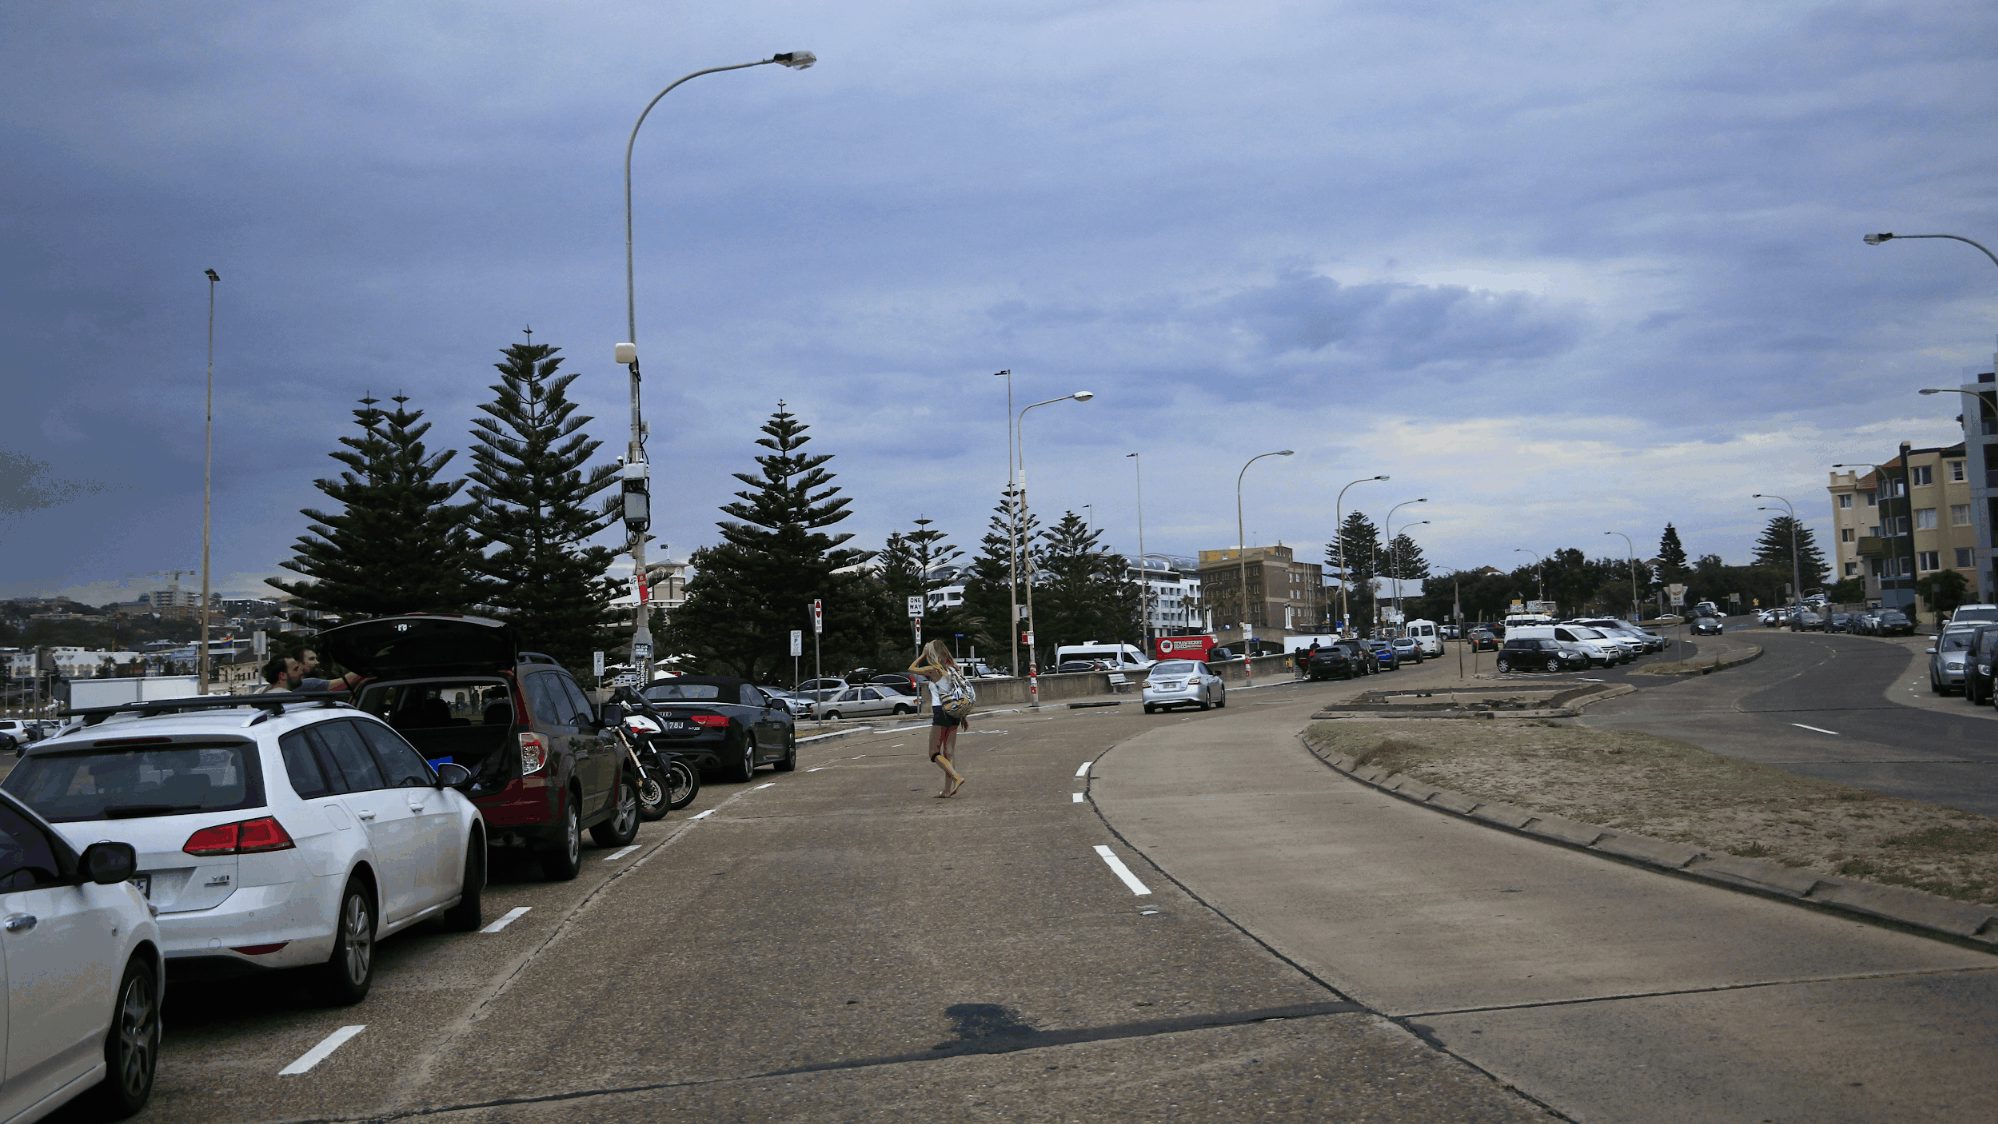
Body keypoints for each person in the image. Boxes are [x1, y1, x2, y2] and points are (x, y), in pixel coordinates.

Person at [909, 639, 968, 798]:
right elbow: (960, 693)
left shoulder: (934, 669)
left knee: (934, 753)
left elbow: (911, 668)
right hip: (954, 712)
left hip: (940, 711)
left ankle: (957, 777)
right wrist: (963, 716)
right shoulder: (954, 669)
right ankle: (947, 790)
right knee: (949, 752)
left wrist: (922, 655)